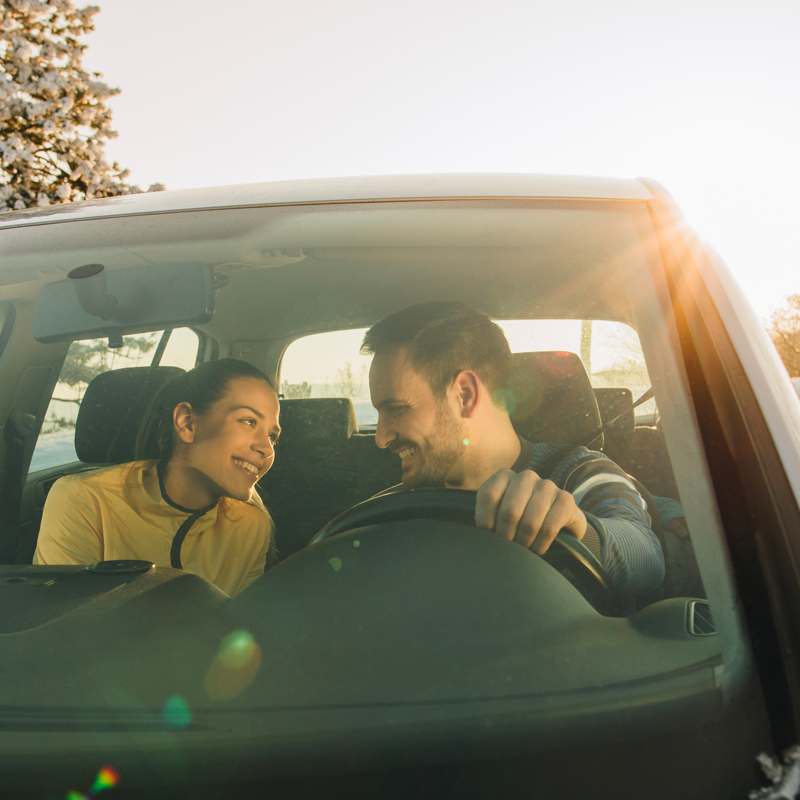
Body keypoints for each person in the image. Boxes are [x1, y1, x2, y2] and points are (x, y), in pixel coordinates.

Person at [363, 302, 665, 596]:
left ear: (465, 395)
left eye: (397, 409)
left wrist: (577, 528)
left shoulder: (580, 475)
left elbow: (647, 558)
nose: (380, 438)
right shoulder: (399, 504)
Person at [34, 359, 280, 597]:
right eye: (249, 421)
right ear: (187, 423)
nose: (267, 449)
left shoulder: (251, 525)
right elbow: (67, 619)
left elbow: (241, 619)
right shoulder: (84, 500)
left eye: (272, 436)